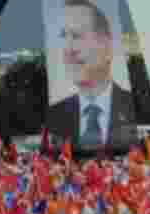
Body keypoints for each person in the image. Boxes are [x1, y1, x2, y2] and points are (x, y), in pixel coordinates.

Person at [45, 0, 139, 155]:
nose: (68, 49)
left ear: (106, 44)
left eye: (77, 35)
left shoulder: (130, 103)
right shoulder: (56, 114)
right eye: (63, 36)